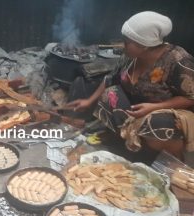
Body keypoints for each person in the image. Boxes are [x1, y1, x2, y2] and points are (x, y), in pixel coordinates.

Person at [66, 11, 194, 160]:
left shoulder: (178, 60)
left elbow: (190, 97)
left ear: (144, 45)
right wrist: (88, 101)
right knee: (110, 94)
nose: (122, 45)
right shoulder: (130, 56)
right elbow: (110, 79)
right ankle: (127, 143)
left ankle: (166, 159)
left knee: (155, 122)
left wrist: (154, 107)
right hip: (136, 108)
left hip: (166, 112)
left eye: (126, 42)